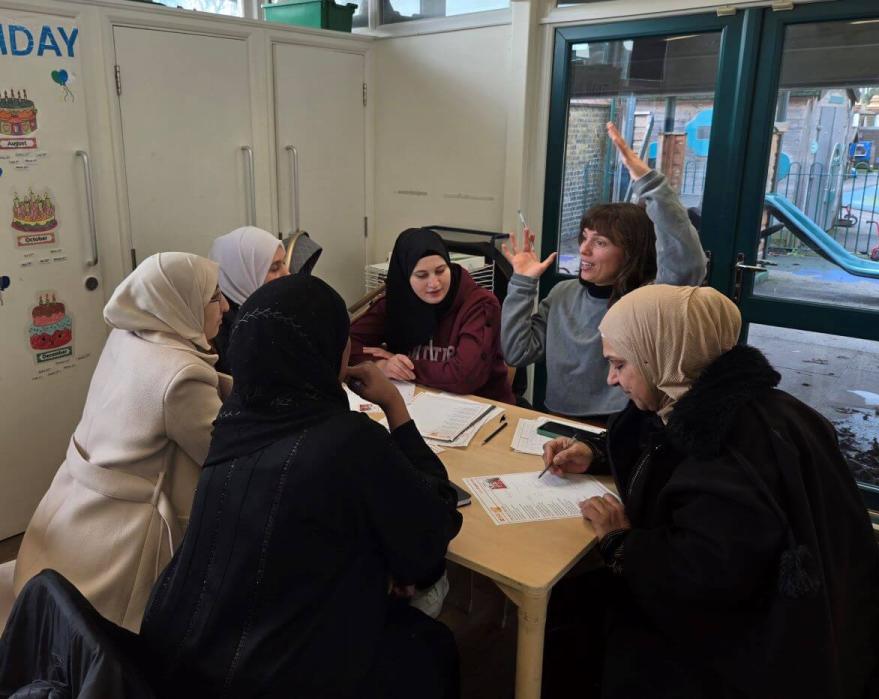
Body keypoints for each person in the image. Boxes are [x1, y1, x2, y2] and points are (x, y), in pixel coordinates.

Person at [543, 285, 879, 698]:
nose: (611, 378)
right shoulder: (730, 402)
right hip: (837, 625)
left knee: (573, 609)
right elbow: (658, 443)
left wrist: (619, 540)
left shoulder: (727, 456)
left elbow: (695, 579)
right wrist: (596, 450)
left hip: (749, 655)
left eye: (620, 364)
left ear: (663, 352)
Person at [140, 274, 463, 698]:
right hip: (277, 673)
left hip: (181, 660)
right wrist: (396, 408)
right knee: (431, 626)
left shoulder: (232, 425)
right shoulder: (348, 439)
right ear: (325, 350)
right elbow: (434, 525)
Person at [13, 253, 230, 632]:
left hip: (75, 500)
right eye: (215, 297)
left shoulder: (130, 335)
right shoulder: (182, 376)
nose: (225, 306)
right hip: (122, 529)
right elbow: (221, 451)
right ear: (181, 302)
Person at [501, 122, 706, 418]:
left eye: (600, 242)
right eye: (584, 237)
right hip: (556, 418)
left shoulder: (645, 301)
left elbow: (687, 264)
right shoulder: (562, 294)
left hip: (620, 424)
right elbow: (517, 352)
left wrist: (649, 183)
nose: (583, 250)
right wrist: (522, 283)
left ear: (631, 252)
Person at [350, 228, 514, 404]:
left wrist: (401, 364)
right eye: (422, 275)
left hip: (482, 407)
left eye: (441, 271)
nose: (434, 283)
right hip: (418, 402)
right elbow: (344, 344)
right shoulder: (397, 300)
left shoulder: (480, 304)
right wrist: (380, 365)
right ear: (405, 276)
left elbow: (464, 376)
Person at [208, 225, 288, 373]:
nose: (287, 273)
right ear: (242, 274)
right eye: (274, 268)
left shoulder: (267, 310)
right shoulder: (222, 328)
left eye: (284, 263)